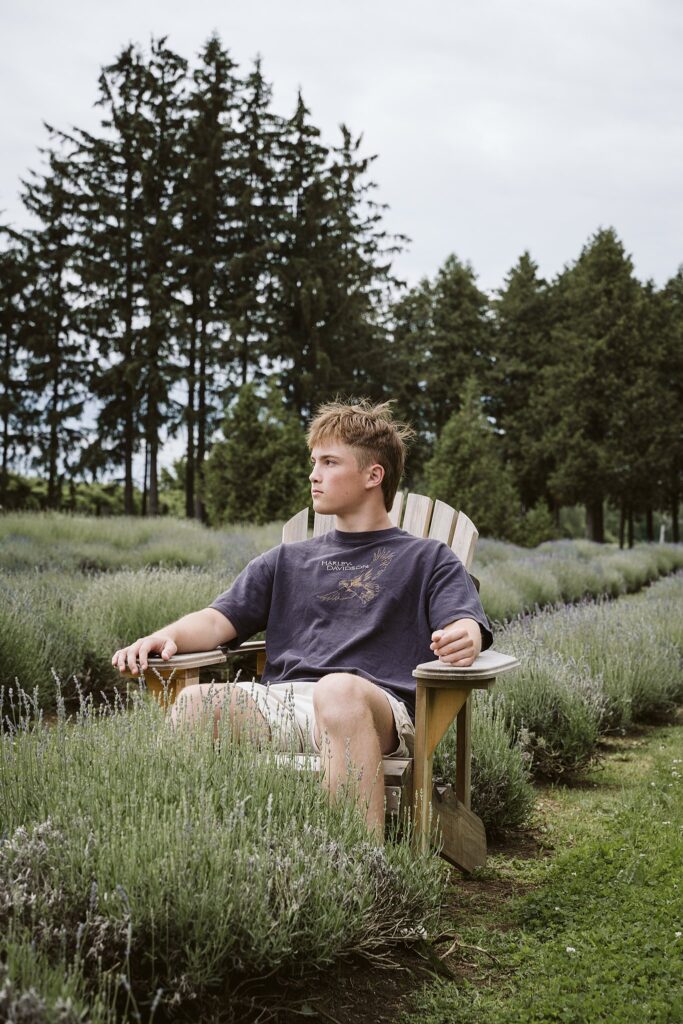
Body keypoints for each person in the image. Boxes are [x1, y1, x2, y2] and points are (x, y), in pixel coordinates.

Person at [112, 400, 492, 839]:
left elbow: (463, 621)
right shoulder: (286, 560)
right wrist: (165, 635)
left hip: (373, 710)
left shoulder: (428, 559)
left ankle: (357, 872)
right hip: (285, 704)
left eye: (330, 462)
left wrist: (465, 638)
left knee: (337, 689)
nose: (314, 474)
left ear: (374, 475)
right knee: (194, 706)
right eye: (314, 462)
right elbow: (218, 621)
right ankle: (180, 853)